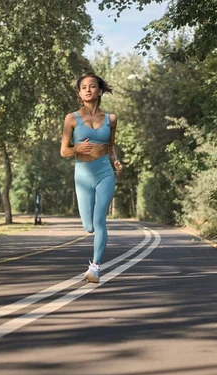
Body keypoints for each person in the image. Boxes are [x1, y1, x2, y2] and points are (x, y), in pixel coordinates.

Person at [60, 72, 123, 283]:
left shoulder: (110, 118)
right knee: (89, 226)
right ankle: (94, 258)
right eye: (84, 87)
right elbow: (63, 151)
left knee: (100, 220)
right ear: (79, 93)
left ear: (100, 90)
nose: (88, 89)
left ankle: (95, 267)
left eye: (92, 86)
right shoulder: (72, 118)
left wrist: (115, 161)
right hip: (83, 175)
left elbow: (111, 145)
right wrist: (77, 148)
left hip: (105, 172)